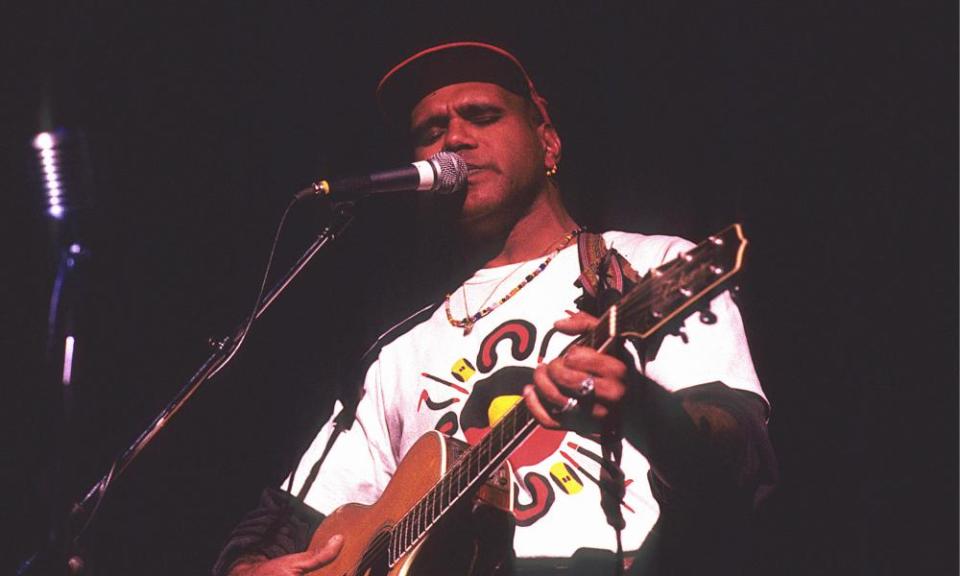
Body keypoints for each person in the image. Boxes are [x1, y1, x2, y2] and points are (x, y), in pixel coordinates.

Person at [214, 42, 776, 576]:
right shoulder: (401, 347)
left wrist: (647, 413)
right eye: (430, 131)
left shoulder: (646, 266)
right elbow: (286, 518)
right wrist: (245, 566)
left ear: (548, 144)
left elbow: (742, 451)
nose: (454, 138)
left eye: (481, 116)